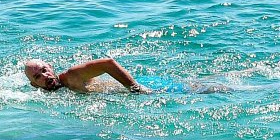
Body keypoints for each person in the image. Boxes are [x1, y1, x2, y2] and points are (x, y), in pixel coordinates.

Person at [24, 58, 230, 94]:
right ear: (34, 85)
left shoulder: (70, 77)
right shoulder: (52, 93)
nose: (45, 76)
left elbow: (107, 63)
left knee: (210, 90)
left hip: (144, 86)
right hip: (130, 87)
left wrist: (135, 88)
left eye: (44, 70)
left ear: (51, 66)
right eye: (38, 77)